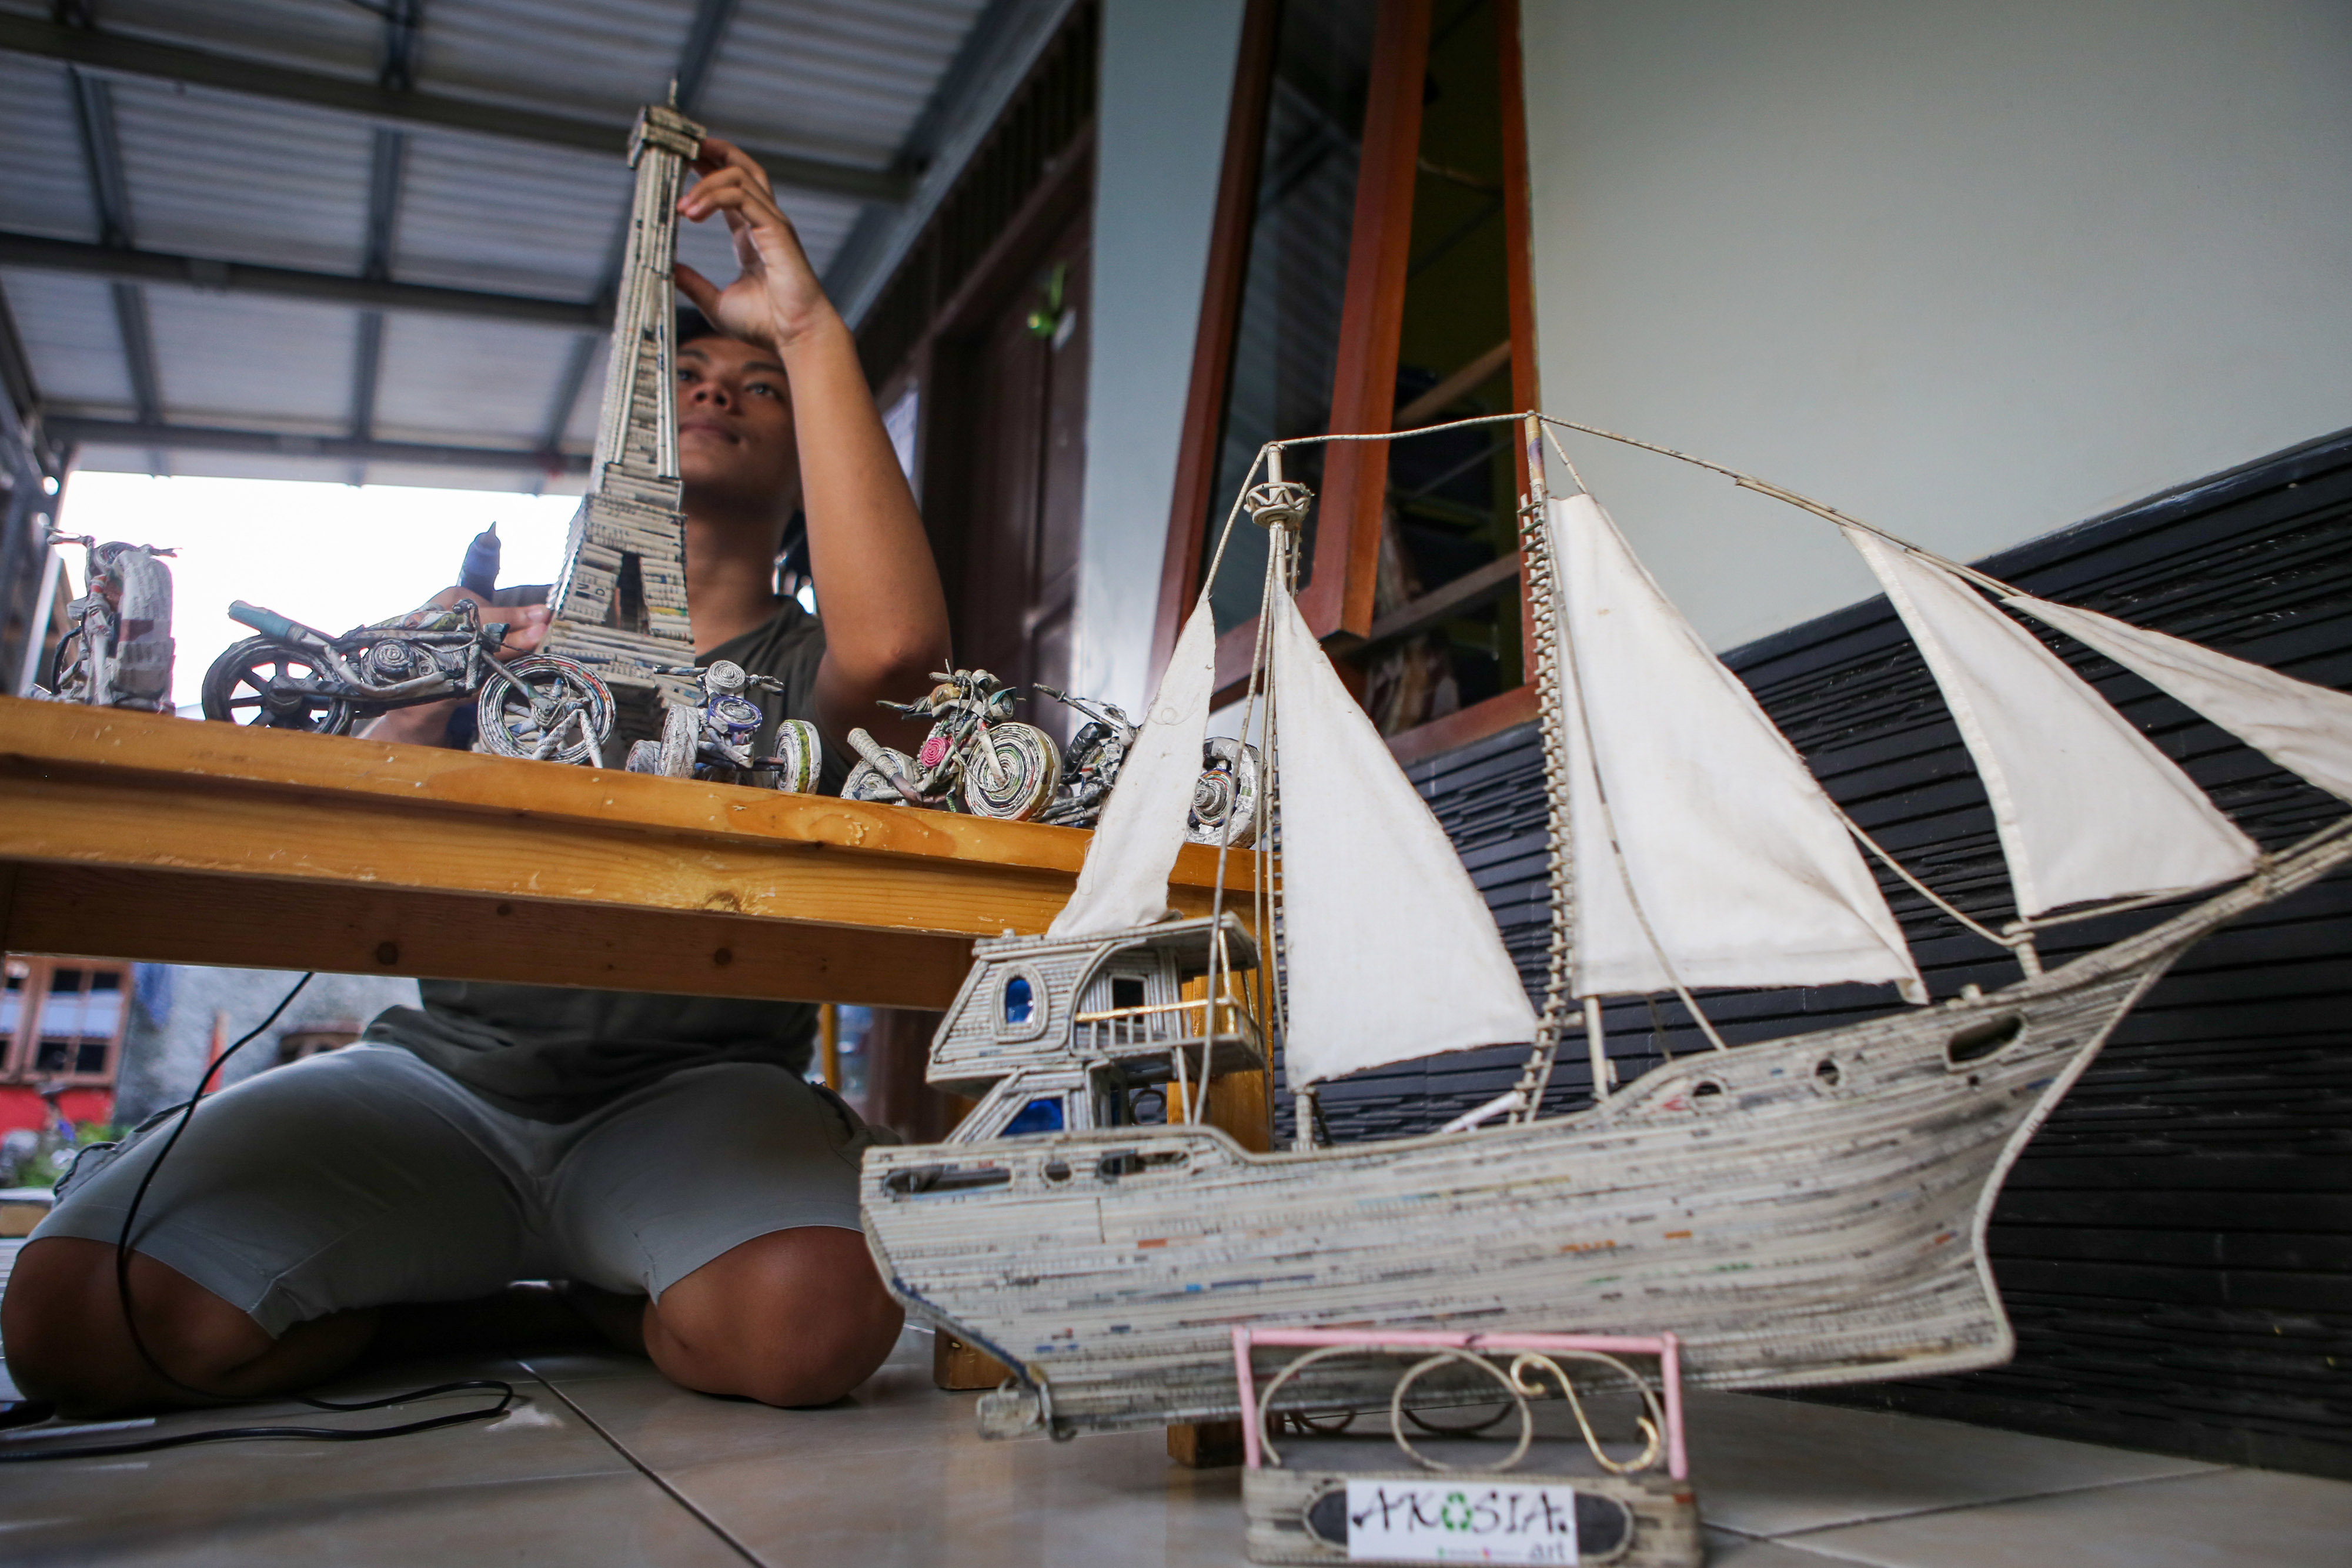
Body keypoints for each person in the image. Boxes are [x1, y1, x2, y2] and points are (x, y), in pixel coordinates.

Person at [2, 138, 951, 1416]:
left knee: (805, 1331)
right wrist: (424, 681)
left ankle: (569, 1284)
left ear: (807, 469)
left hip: (698, 1095)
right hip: (439, 1075)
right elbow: (367, 835)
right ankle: (465, 1290)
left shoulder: (802, 664)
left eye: (761, 387)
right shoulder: (491, 640)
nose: (719, 390)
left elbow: (896, 647)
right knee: (70, 1322)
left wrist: (805, 320)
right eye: (684, 374)